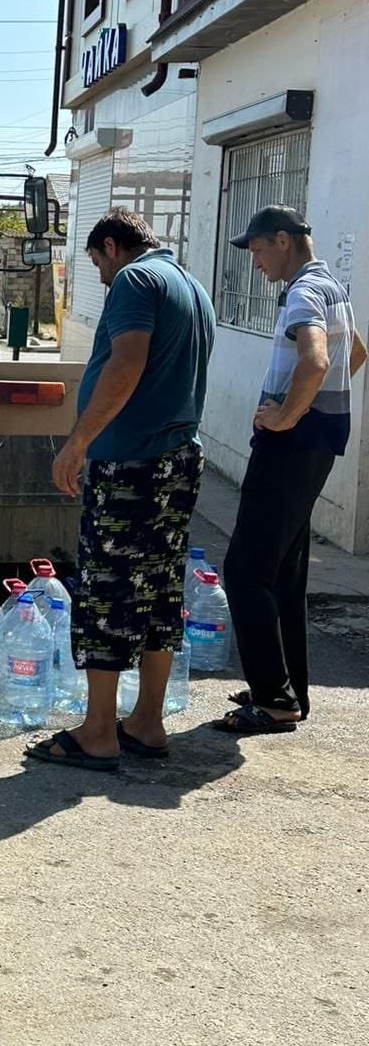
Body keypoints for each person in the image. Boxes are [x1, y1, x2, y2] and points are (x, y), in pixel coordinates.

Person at [27, 208, 215, 771]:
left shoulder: (136, 278)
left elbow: (127, 364)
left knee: (107, 595)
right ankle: (147, 723)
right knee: (158, 592)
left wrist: (78, 440)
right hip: (176, 460)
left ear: (112, 246)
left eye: (97, 265)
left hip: (131, 465)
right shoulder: (190, 285)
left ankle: (99, 732)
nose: (102, 279)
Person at [213, 206, 366, 735]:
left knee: (245, 570)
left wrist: (286, 414)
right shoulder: (332, 289)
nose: (254, 262)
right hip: (316, 445)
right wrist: (312, 406)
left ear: (283, 239)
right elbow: (359, 352)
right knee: (283, 571)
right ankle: (287, 688)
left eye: (257, 249)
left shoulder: (303, 292)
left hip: (290, 446)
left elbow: (319, 360)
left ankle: (274, 701)